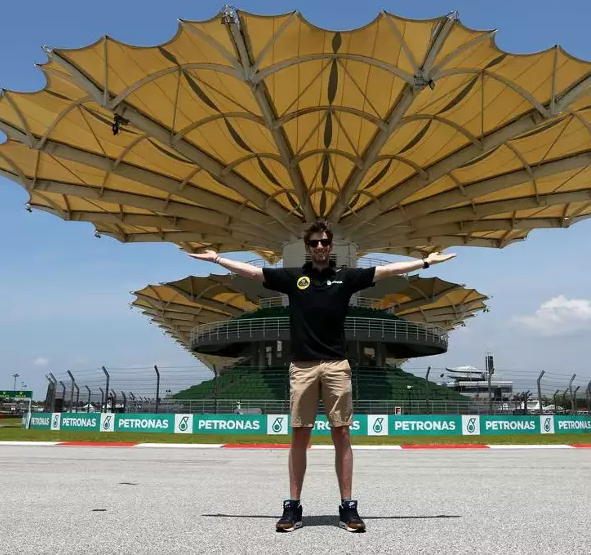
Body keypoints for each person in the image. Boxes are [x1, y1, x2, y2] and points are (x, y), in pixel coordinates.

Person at [186, 219, 456, 533]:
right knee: (300, 434)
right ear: (307, 246)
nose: (319, 247)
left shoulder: (347, 277)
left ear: (330, 246)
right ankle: (293, 506)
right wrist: (218, 259)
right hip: (301, 366)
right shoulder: (293, 277)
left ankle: (348, 507)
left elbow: (385, 272)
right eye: (314, 242)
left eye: (324, 242)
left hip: (337, 365)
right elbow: (255, 273)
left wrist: (424, 262)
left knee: (341, 434)